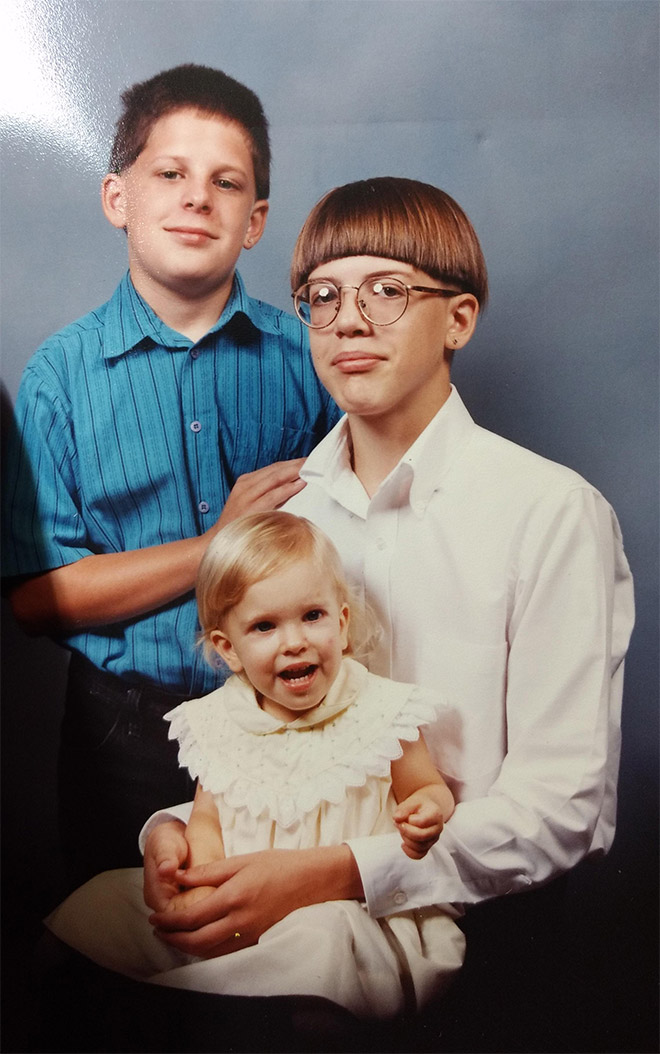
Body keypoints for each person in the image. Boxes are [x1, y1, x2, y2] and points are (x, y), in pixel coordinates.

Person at [136, 177, 634, 972]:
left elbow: (565, 809)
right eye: (322, 296)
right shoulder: (289, 519)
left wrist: (341, 873)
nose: (349, 322)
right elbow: (274, 736)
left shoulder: (550, 511)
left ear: (459, 319)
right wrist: (179, 830)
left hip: (489, 935)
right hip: (279, 923)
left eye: (389, 291)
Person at [1, 65, 340, 888]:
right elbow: (37, 598)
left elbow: (362, 547)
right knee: (129, 963)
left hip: (292, 714)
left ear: (255, 220)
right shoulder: (59, 377)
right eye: (171, 174)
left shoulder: (315, 359)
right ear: (118, 198)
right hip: (124, 735)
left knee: (282, 956)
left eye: (227, 183)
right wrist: (217, 546)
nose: (198, 198)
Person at [45, 510, 465, 1019]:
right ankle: (194, 997)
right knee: (101, 902)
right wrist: (197, 890)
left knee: (321, 939)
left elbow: (427, 787)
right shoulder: (219, 722)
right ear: (229, 649)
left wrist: (427, 809)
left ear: (343, 622)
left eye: (313, 616)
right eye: (264, 626)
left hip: (348, 912)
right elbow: (206, 820)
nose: (295, 641)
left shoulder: (384, 712)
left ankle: (222, 1011)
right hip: (241, 913)